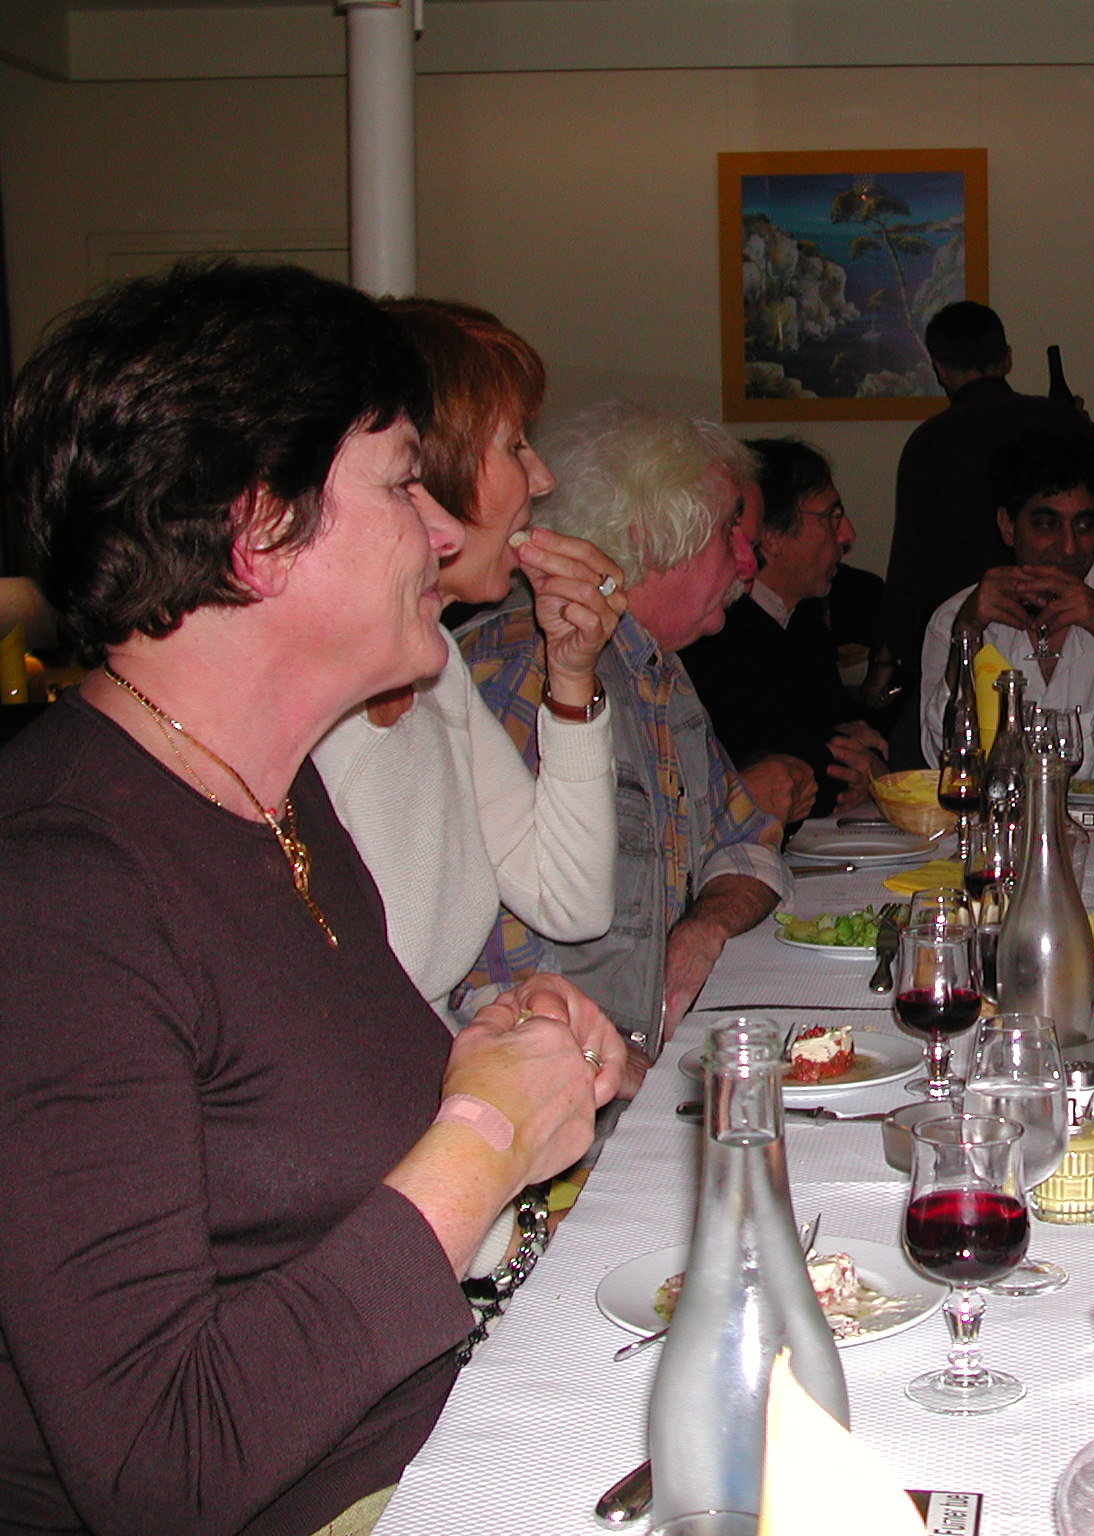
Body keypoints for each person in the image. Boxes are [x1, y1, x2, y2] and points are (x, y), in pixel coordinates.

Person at [0, 260, 623, 1536]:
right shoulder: (59, 889)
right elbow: (159, 1469)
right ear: (259, 529)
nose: (442, 533)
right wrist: (483, 1141)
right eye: (399, 484)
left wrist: (484, 1058)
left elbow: (283, 1150)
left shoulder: (271, 801)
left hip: (439, 1441)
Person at [314, 297, 624, 1028]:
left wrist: (571, 678)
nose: (542, 479)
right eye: (515, 446)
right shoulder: (318, 704)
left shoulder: (437, 666)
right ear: (428, 470)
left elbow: (571, 902)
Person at [461, 403, 794, 1053]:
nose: (747, 561)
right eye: (728, 530)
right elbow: (486, 974)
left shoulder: (657, 672)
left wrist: (704, 929)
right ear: (651, 537)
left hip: (639, 1061)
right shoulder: (521, 672)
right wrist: (601, 1062)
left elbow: (748, 840)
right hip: (560, 1081)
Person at [918, 431, 1094, 778]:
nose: (1068, 547)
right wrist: (968, 633)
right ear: (1008, 526)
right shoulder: (956, 616)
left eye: (1084, 525)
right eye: (1046, 524)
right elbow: (943, 759)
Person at [880, 301, 1094, 701]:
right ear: (1008, 358)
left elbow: (911, 564)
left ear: (940, 369)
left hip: (967, 630)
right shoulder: (1061, 421)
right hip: (1069, 625)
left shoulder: (929, 442)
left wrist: (895, 657)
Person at [680, 437, 890, 816]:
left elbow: (851, 738)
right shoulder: (715, 630)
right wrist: (846, 760)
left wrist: (858, 756)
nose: (848, 535)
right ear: (771, 535)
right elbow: (774, 779)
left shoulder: (801, 617)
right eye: (832, 517)